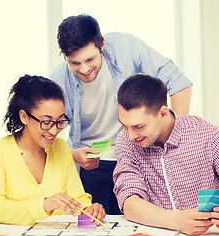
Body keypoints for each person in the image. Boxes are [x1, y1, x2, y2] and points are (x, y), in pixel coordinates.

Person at [49, 14, 193, 215]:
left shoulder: (126, 48)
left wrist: (172, 140)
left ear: (102, 45)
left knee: (143, 222)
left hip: (137, 156)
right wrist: (73, 156)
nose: (84, 69)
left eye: (90, 59)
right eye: (74, 63)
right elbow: (45, 135)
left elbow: (179, 83)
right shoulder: (58, 80)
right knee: (94, 226)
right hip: (91, 165)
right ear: (63, 56)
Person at [113, 73, 219, 236]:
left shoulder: (210, 137)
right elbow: (129, 202)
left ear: (163, 114)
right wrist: (177, 221)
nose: (131, 135)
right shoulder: (126, 142)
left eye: (138, 126)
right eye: (125, 125)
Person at [0, 75, 105, 225]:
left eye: (60, 121)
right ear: (24, 116)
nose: (54, 131)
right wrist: (44, 205)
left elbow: (77, 196)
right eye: (46, 122)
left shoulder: (61, 147)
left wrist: (88, 209)